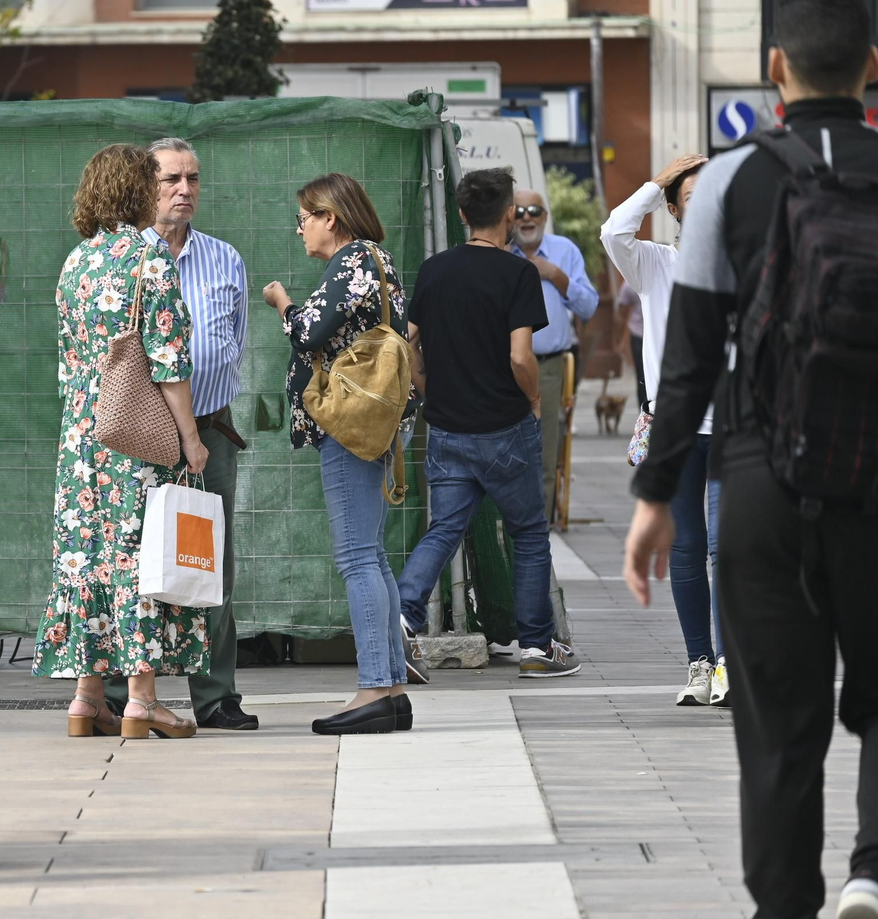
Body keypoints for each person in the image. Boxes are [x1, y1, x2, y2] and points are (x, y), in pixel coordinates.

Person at [625, 0, 878, 919]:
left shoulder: (733, 182)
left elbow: (689, 358)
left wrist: (656, 494)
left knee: (777, 728)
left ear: (774, 70)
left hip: (760, 483)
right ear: (872, 67)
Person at [33, 143, 210, 740]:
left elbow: (68, 359)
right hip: (135, 437)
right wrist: (190, 439)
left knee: (85, 558)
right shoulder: (149, 257)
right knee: (140, 556)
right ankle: (142, 700)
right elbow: (169, 362)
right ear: (138, 191)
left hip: (82, 436)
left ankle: (87, 700)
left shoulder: (76, 261)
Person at [395, 167, 579, 678]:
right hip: (505, 428)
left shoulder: (434, 270)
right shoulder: (518, 274)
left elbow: (407, 342)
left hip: (447, 428)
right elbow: (522, 356)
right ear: (508, 215)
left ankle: (404, 620)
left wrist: (426, 384)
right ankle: (537, 648)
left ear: (461, 214)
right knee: (528, 533)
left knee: (443, 529)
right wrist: (533, 399)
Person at [100, 138, 257, 731]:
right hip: (134, 439)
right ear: (146, 186)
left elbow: (235, 339)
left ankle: (216, 696)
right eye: (170, 179)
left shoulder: (224, 258)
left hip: (208, 433)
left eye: (192, 178)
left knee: (208, 562)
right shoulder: (121, 258)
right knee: (126, 559)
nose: (184, 190)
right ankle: (116, 693)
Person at [260, 173, 415, 735]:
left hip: (351, 425)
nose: (300, 229)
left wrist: (282, 302)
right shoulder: (377, 261)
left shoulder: (352, 261)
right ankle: (391, 690)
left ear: (331, 217)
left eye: (304, 218)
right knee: (372, 555)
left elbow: (308, 332)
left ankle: (374, 688)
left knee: (356, 557)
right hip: (375, 421)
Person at [601, 155, 728, 709]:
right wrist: (656, 184)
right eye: (692, 198)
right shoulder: (654, 264)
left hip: (732, 425)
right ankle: (700, 663)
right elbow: (613, 231)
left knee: (725, 547)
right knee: (687, 546)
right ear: (674, 210)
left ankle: (727, 664)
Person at [512, 189, 599, 521]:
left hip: (548, 367)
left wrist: (557, 276)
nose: (527, 218)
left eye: (534, 210)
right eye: (519, 211)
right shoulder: (502, 252)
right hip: (505, 366)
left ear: (545, 216)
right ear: (509, 217)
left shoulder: (565, 251)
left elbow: (589, 307)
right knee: (504, 451)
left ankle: (541, 528)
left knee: (545, 452)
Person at [614, 280, 646, 411]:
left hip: (656, 335)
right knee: (642, 378)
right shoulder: (629, 284)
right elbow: (621, 314)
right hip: (639, 335)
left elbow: (621, 314)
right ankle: (645, 414)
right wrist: (618, 340)